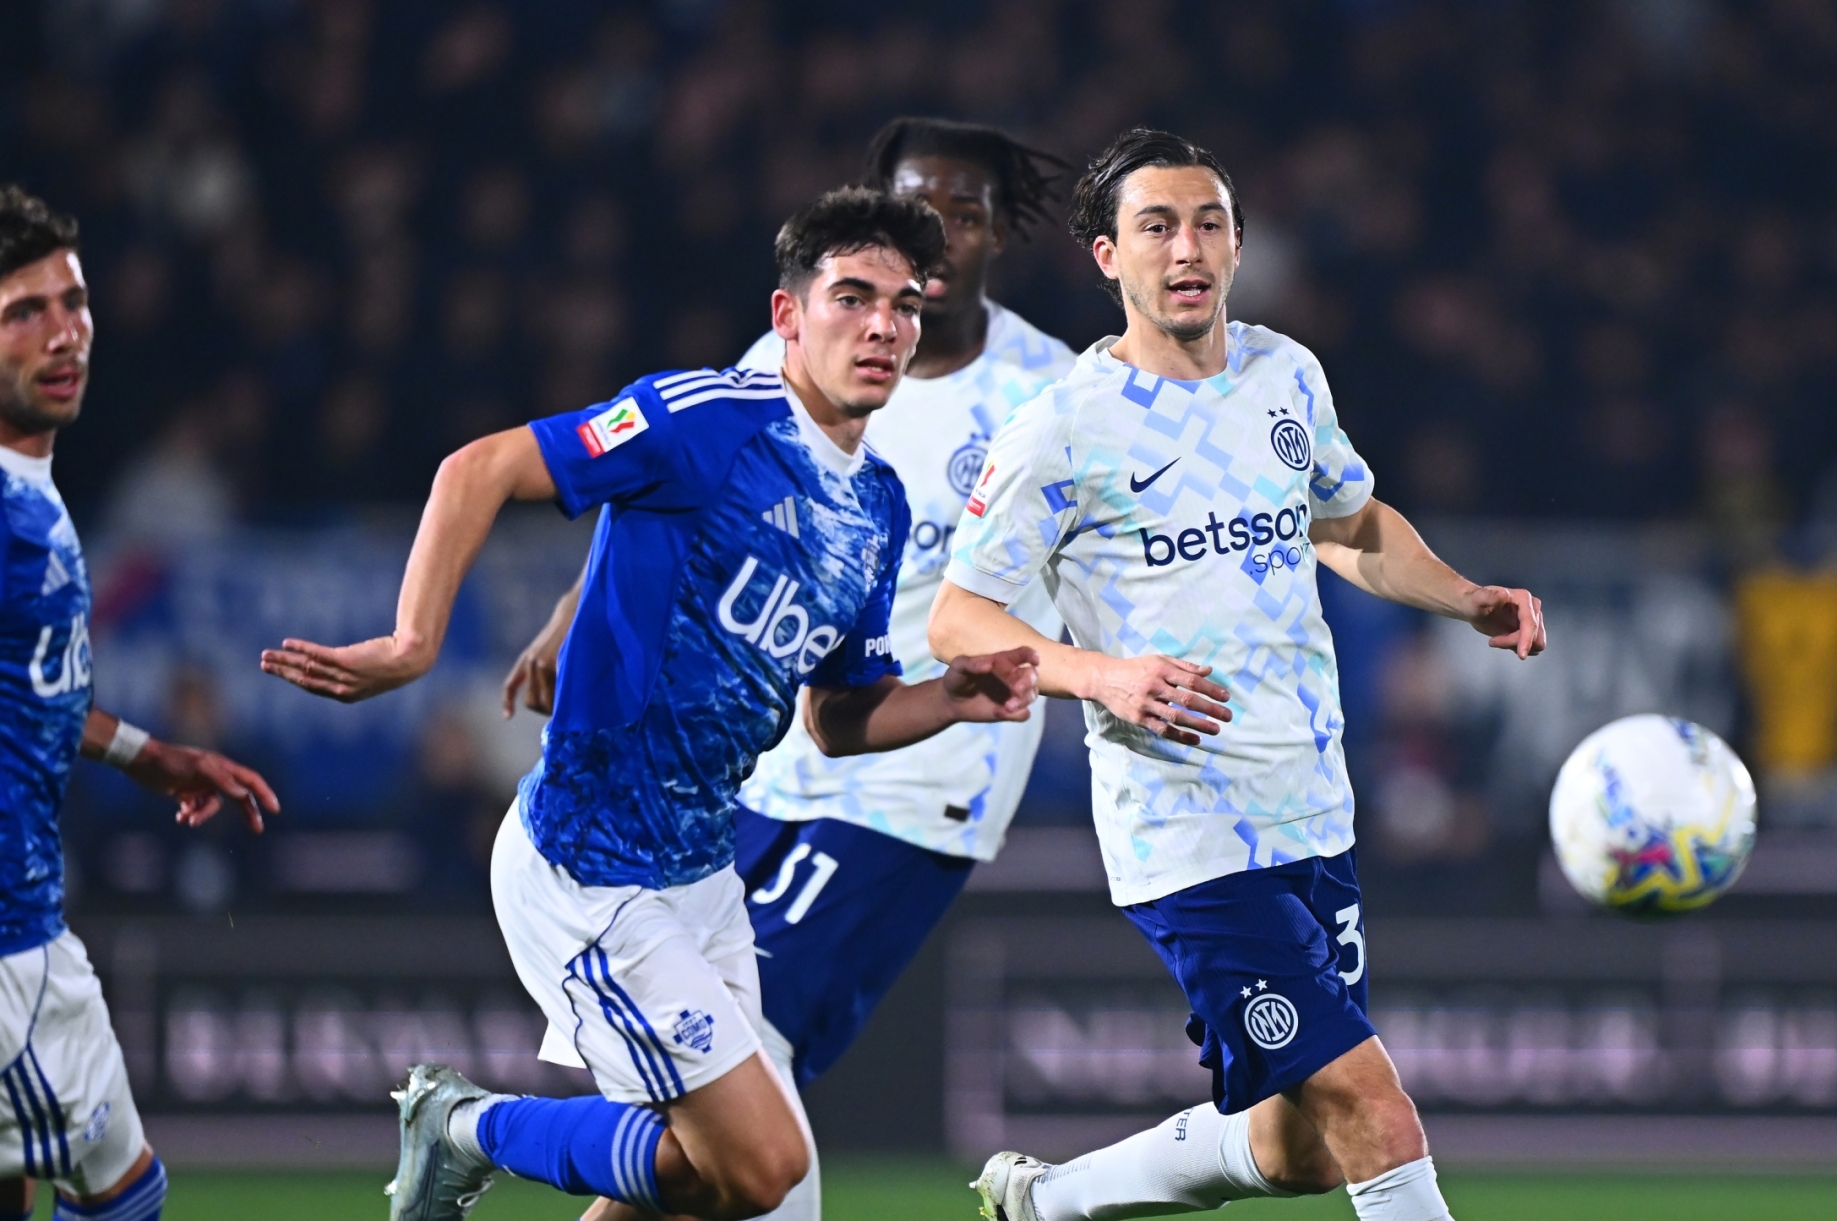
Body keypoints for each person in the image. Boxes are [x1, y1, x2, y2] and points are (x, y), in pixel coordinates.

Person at [262, 187, 1040, 1221]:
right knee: (761, 1169)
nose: (884, 327)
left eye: (904, 306)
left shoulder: (879, 504)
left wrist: (949, 698)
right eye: (852, 298)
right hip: (587, 864)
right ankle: (461, 1125)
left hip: (702, 873)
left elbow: (836, 716)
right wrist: (413, 643)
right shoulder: (705, 417)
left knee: (703, 1190)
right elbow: (480, 467)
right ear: (788, 316)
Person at [927, 130, 1547, 1221]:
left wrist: (1465, 597)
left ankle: (1051, 1204)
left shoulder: (1282, 374)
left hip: (1309, 806)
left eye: (1209, 223)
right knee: (1374, 1106)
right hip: (1188, 829)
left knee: (1299, 1145)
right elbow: (957, 618)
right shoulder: (1066, 429)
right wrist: (1100, 676)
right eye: (1157, 227)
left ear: (1240, 244)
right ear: (1106, 257)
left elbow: (1348, 523)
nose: (1187, 248)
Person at [502, 118, 1076, 1220]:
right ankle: (474, 1128)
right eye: (923, 206)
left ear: (1000, 231)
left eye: (966, 212)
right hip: (770, 765)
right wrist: (575, 606)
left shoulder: (1046, 394)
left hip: (908, 790)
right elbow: (674, 480)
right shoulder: (799, 349)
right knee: (716, 1120)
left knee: (746, 1091)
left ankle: (476, 1129)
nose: (943, 234)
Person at [0, 185, 282, 1221]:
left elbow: (25, 694)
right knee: (122, 1193)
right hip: (8, 952)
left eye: (71, 302)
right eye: (22, 312)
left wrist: (144, 752)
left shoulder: (30, 487)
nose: (63, 332)